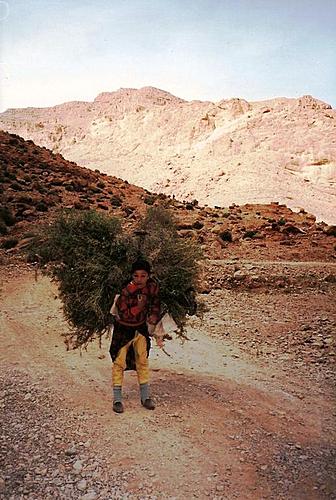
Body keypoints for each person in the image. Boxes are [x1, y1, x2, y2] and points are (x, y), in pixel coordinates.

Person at [109, 259, 162, 414]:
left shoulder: (152, 288)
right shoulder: (125, 291)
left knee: (143, 361)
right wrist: (138, 308)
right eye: (136, 276)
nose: (139, 280)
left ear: (148, 276)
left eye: (143, 276)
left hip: (140, 330)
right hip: (123, 331)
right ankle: (117, 399)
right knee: (119, 362)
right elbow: (123, 311)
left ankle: (145, 397)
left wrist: (153, 315)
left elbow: (156, 303)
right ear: (132, 276)